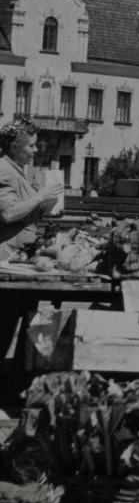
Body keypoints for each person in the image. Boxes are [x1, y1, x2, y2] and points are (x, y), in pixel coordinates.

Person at [0, 117, 61, 376]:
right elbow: (8, 213)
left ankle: (13, 382)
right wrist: (40, 196)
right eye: (31, 146)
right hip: (6, 257)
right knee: (3, 326)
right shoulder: (3, 170)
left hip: (19, 256)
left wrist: (48, 206)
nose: (36, 150)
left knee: (18, 319)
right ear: (15, 146)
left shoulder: (16, 170)